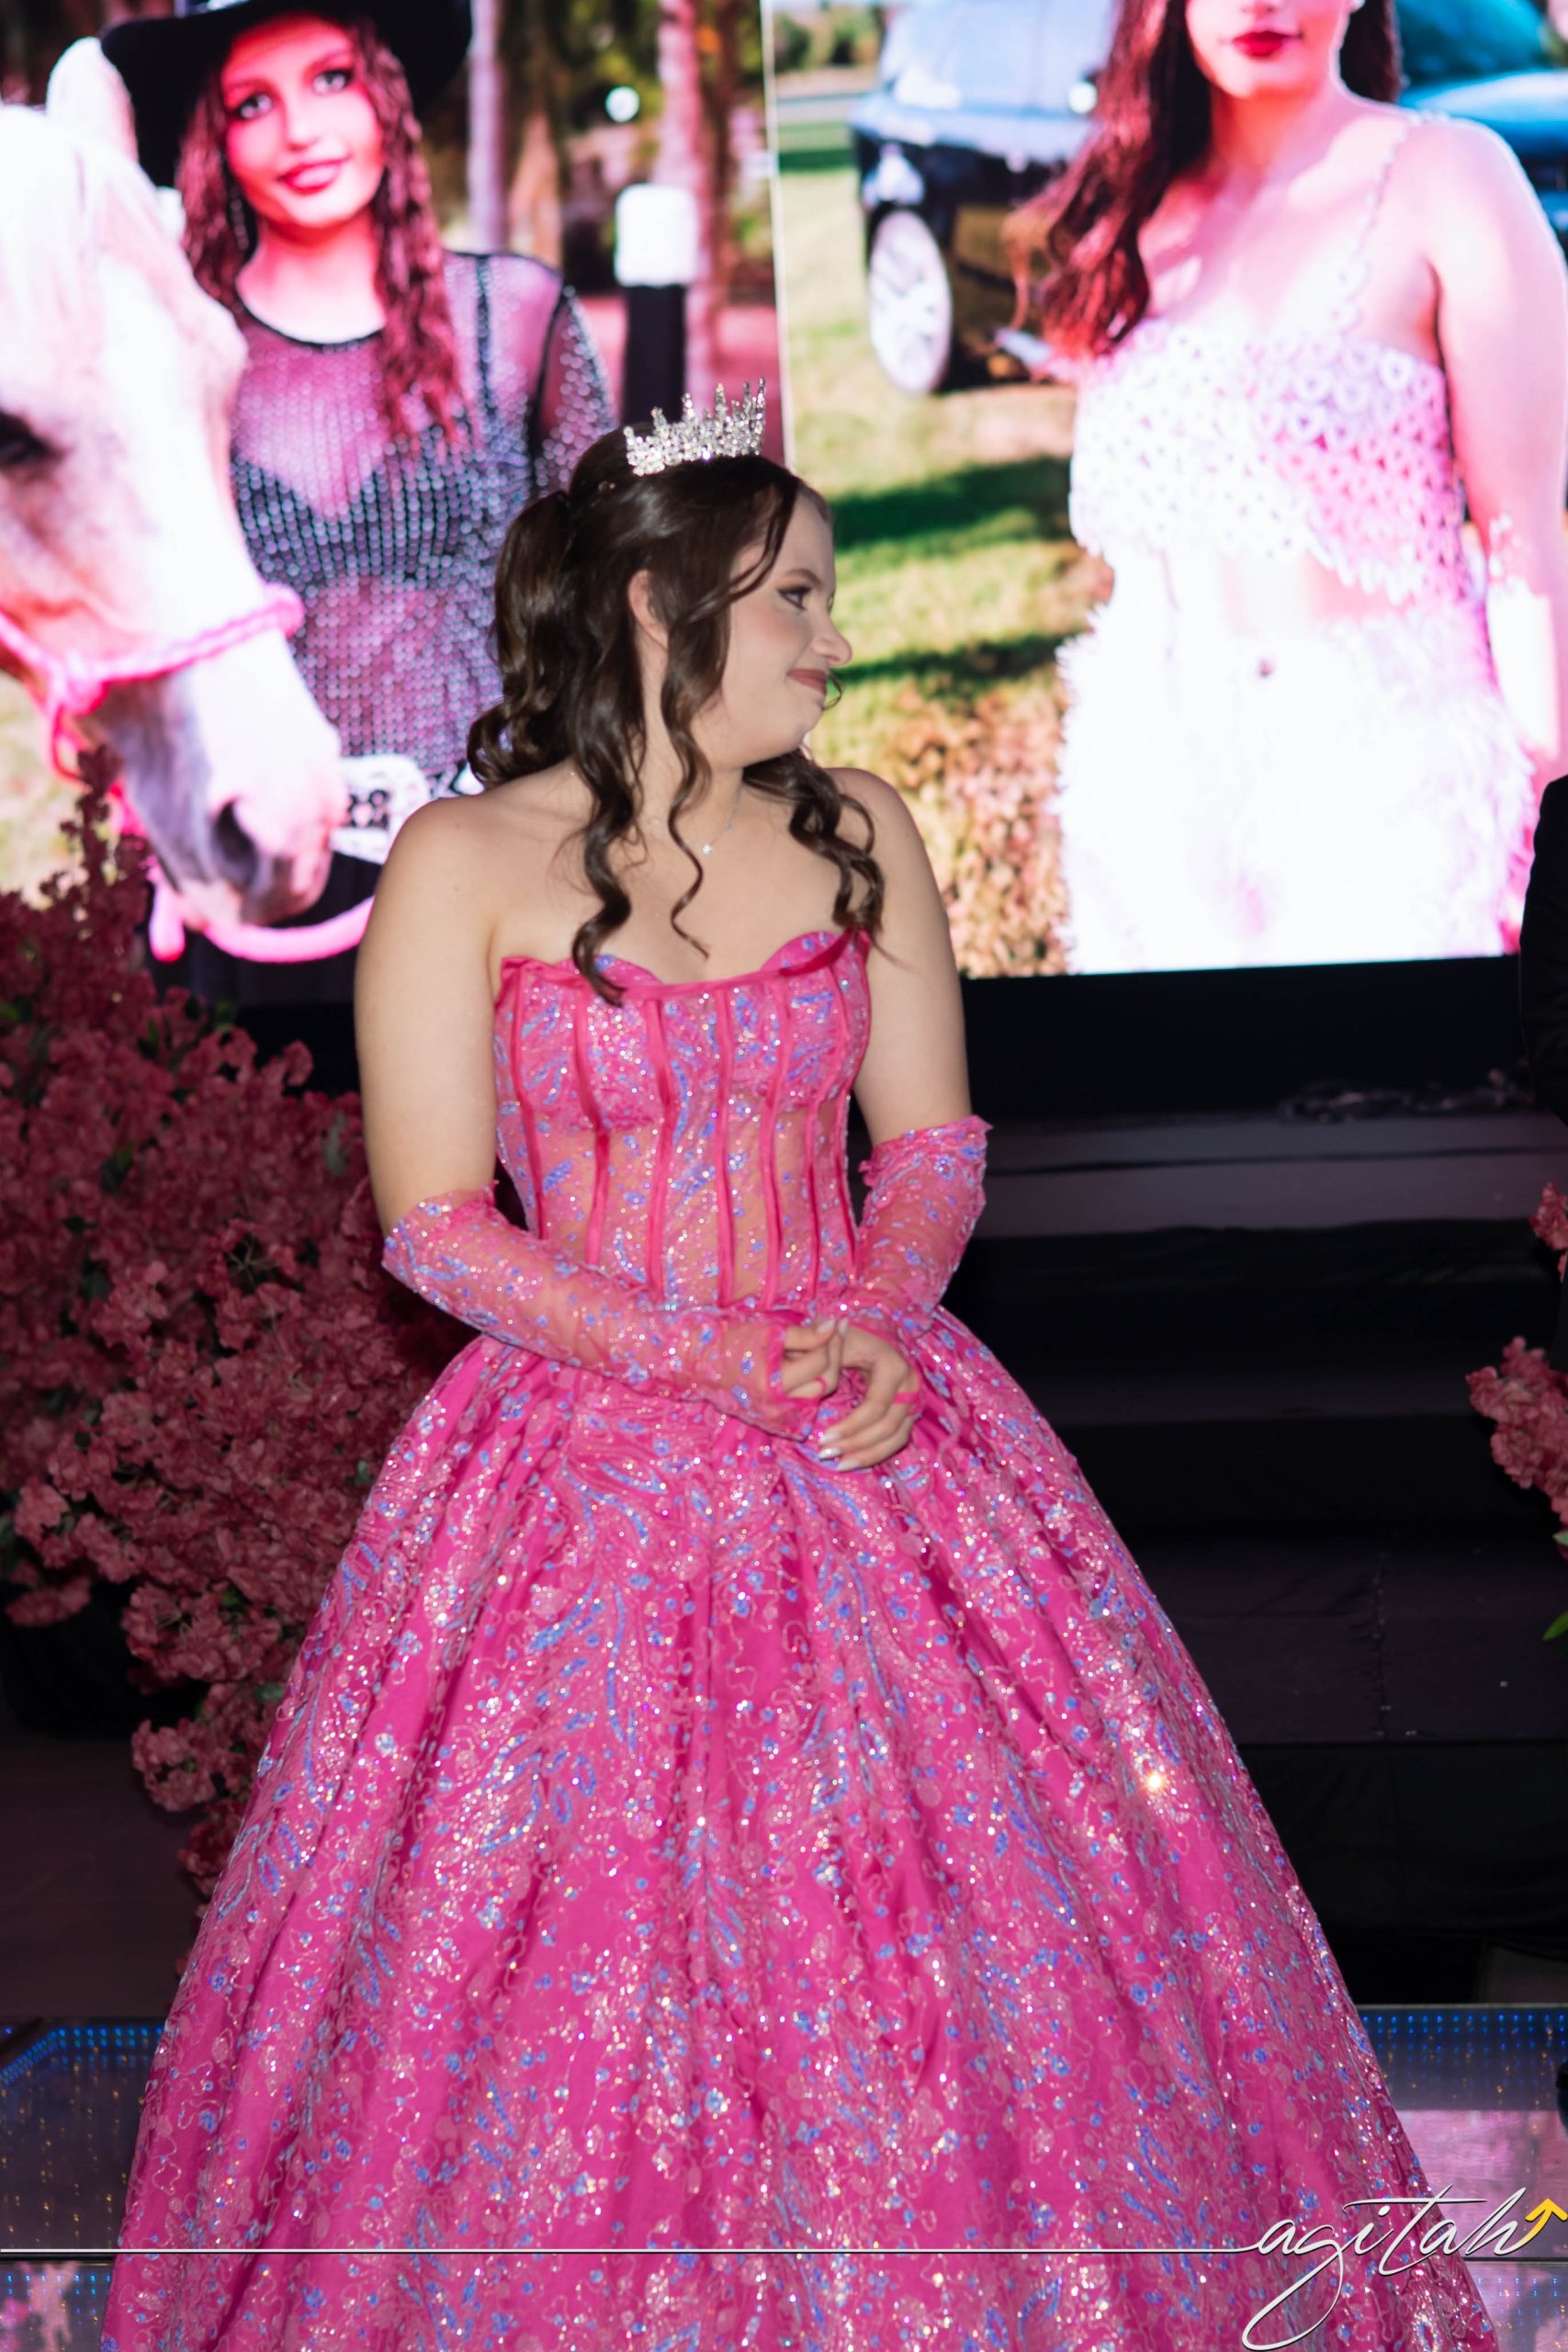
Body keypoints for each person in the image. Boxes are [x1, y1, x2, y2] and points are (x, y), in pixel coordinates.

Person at [101, 405, 1498, 2350]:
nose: (834, 644)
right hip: (570, 1482)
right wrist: (715, 1356)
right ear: (657, 607)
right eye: (799, 603)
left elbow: (930, 1152)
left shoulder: (861, 831)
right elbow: (432, 1223)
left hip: (869, 1430)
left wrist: (878, 1321)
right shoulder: (458, 858)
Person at [1008, 0, 1568, 974]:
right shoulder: (1138, 197)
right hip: (1153, 777)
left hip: (1390, 781)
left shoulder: (1453, 178)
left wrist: (1545, 830)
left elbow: (1526, 546)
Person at [100, 0, 613, 1004]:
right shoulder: (175, 354)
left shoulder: (515, 317)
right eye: (252, 103)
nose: (300, 131)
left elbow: (612, 599)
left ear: (388, 96)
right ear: (210, 138)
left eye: (332, 79)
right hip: (249, 874)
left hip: (498, 866)